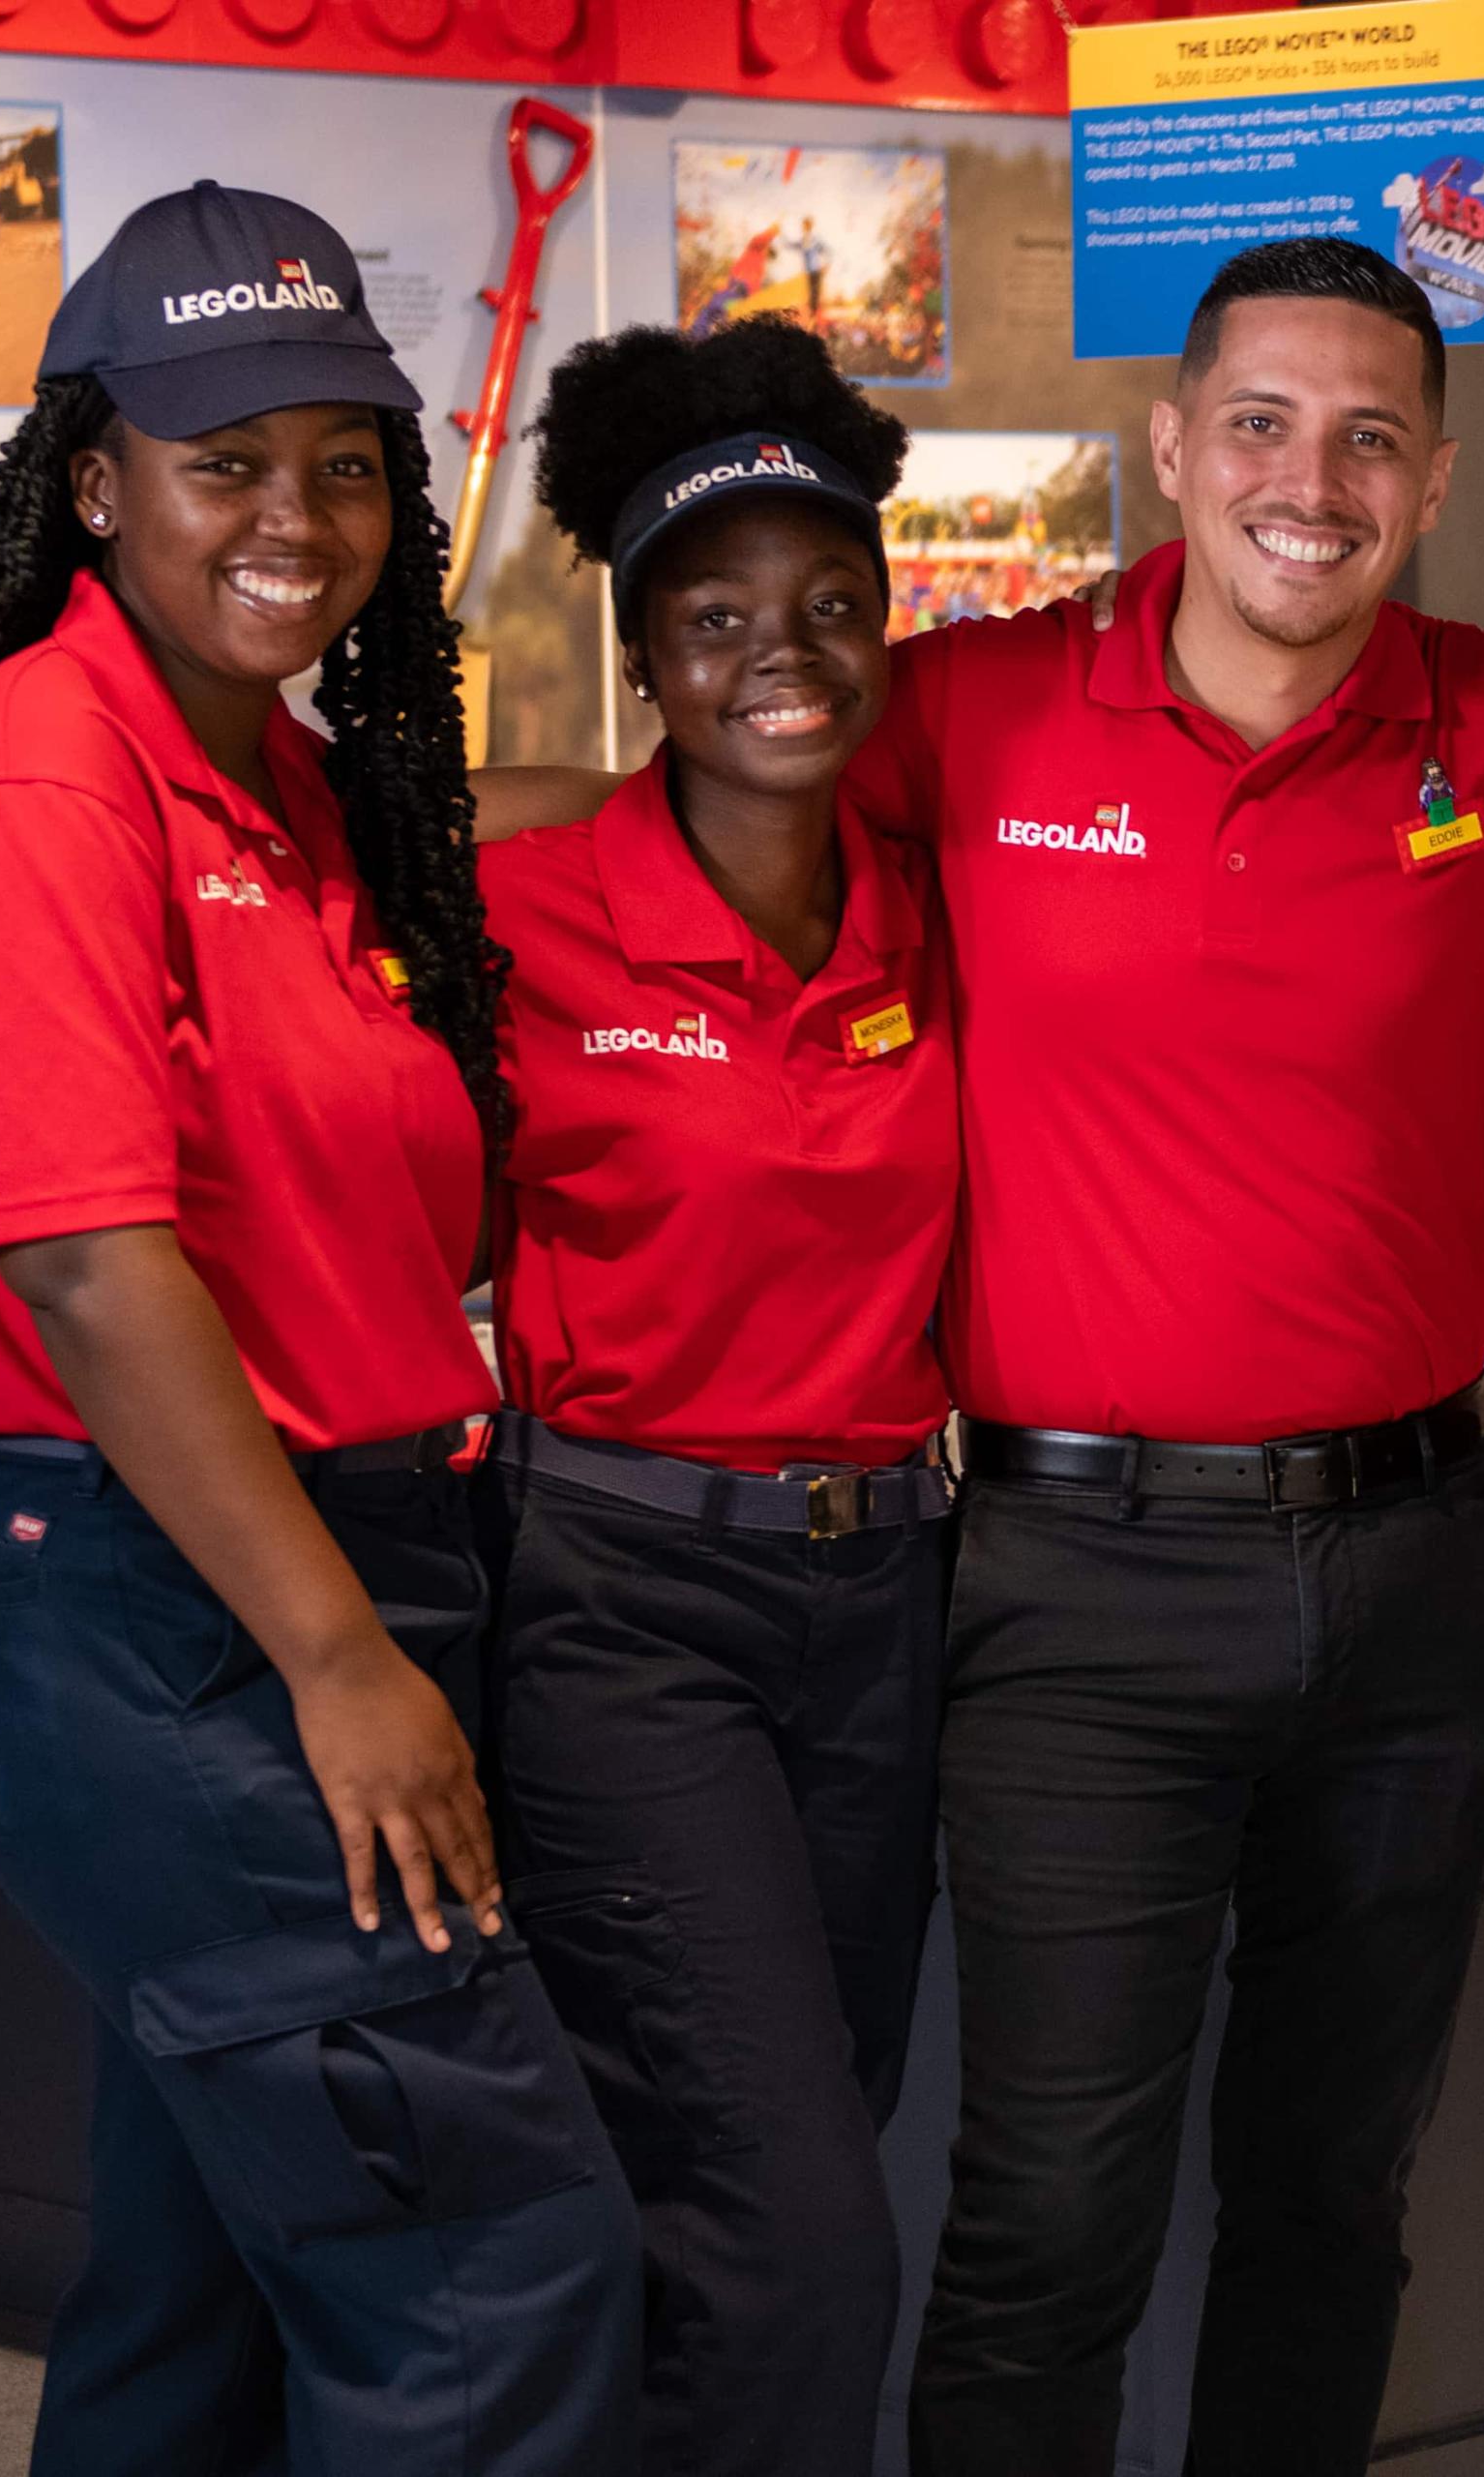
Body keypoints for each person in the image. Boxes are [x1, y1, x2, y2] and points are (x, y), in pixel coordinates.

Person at [474, 233, 1484, 2474]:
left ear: (1427, 480)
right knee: (1048, 2213)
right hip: (1070, 1589)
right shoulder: (978, 708)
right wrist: (417, 823)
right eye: (1257, 423)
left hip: (1418, 1560)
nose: (1302, 480)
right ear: (1169, 449)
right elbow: (697, 780)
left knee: (1330, 2199)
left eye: (1361, 438)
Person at [0, 182, 637, 2472]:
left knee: (201, 2281)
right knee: (488, 2265)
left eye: (346, 461)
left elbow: (510, 872)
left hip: (326, 1569)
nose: (298, 517)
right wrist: (337, 1658)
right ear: (94, 480)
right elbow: (89, 1263)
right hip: (179, 1609)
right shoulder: (37, 763)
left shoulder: (287, 780)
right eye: (225, 462)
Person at [480, 316, 955, 2477]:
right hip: (627, 1607)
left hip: (891, 1607)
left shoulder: (950, 923)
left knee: (777, 2172)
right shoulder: (518, 912)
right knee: (796, 2228)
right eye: (719, 617)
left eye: (833, 606)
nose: (786, 652)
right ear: (643, 653)